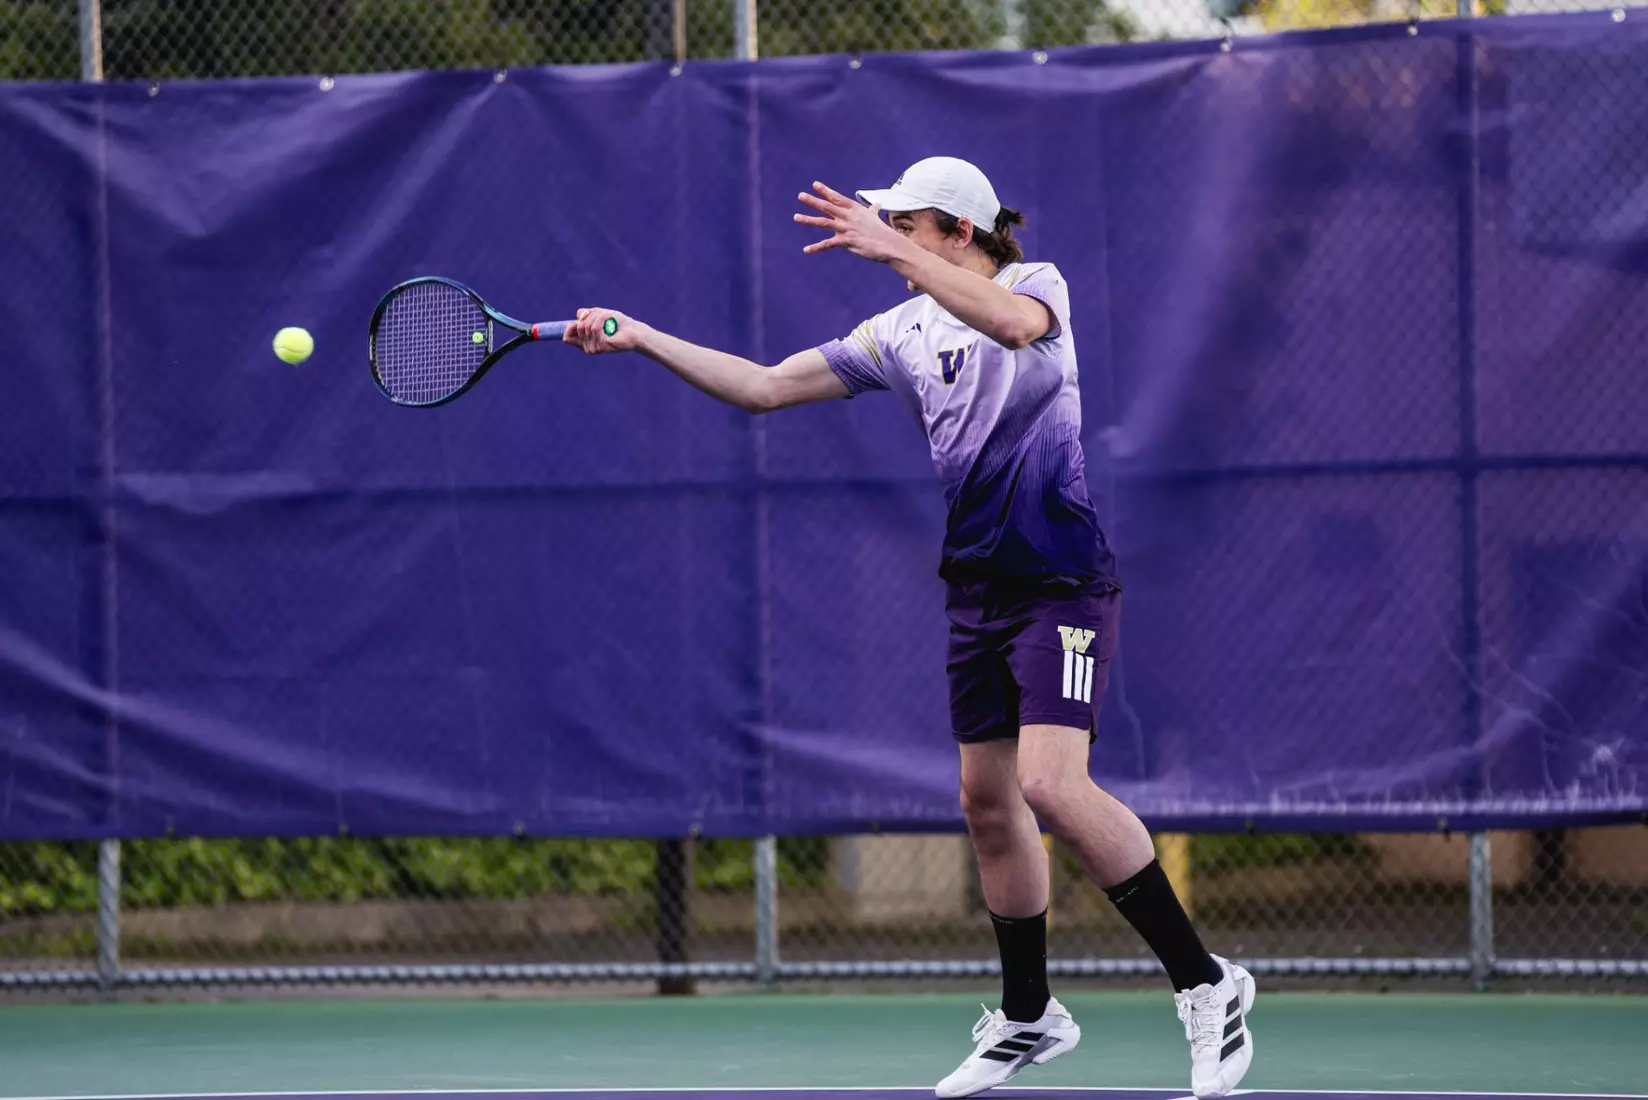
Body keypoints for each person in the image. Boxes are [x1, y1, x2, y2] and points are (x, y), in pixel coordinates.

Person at [562, 156, 1255, 1100]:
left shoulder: (1029, 286)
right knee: (986, 799)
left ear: (957, 232)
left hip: (1060, 582)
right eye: (884, 224)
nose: (883, 236)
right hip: (975, 592)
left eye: (904, 224)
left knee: (1052, 784)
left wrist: (889, 245)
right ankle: (1028, 1016)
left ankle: (1208, 985)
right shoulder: (897, 331)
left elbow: (1011, 328)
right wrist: (642, 337)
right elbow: (765, 387)